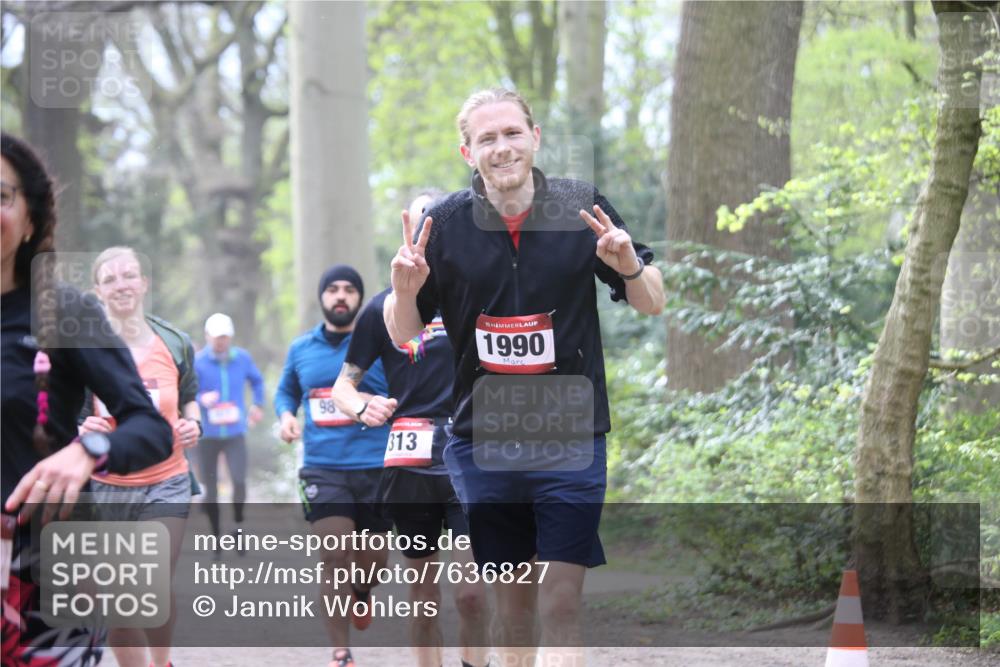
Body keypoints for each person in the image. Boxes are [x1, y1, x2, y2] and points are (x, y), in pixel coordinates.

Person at [384, 88, 665, 667]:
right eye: (487, 138)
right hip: (485, 441)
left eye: (512, 133)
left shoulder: (582, 207)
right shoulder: (444, 226)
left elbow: (652, 303)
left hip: (571, 433)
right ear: (468, 152)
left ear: (535, 139)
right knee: (512, 611)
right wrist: (404, 292)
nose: (502, 147)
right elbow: (401, 332)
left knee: (560, 603)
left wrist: (629, 267)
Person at [0, 133, 172, 664]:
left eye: (2, 195)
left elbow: (149, 427)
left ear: (31, 220)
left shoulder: (62, 313)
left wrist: (87, 452)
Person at [332, 193, 489, 667]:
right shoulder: (382, 308)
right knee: (423, 596)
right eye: (421, 220)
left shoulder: (478, 295)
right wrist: (362, 407)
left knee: (470, 594)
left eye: (437, 221)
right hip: (409, 465)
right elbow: (343, 386)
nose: (429, 230)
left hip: (470, 458)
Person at [81, 246, 201, 667]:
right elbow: (60, 412)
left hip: (167, 479)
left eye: (128, 275)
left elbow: (189, 397)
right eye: (110, 279)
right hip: (105, 486)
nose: (121, 285)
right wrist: (80, 428)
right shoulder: (83, 348)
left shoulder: (173, 341)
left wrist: (194, 424)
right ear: (97, 291)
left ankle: (162, 660)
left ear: (144, 283)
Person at [275, 265, 393, 667]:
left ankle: (362, 592)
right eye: (332, 290)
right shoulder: (301, 348)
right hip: (323, 467)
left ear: (359, 299)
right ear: (322, 297)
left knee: (374, 563)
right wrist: (286, 416)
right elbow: (286, 390)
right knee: (333, 555)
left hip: (376, 465)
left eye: (349, 290)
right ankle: (341, 652)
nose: (340, 296)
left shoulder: (378, 344)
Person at [193, 312, 265, 548]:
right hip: (208, 435)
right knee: (211, 490)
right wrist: (201, 398)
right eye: (215, 337)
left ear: (230, 337)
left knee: (238, 480)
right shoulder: (198, 362)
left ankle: (238, 524)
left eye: (224, 337)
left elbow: (257, 381)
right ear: (207, 337)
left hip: (235, 432)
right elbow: (185, 391)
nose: (220, 341)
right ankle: (215, 537)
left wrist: (257, 404)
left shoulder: (241, 358)